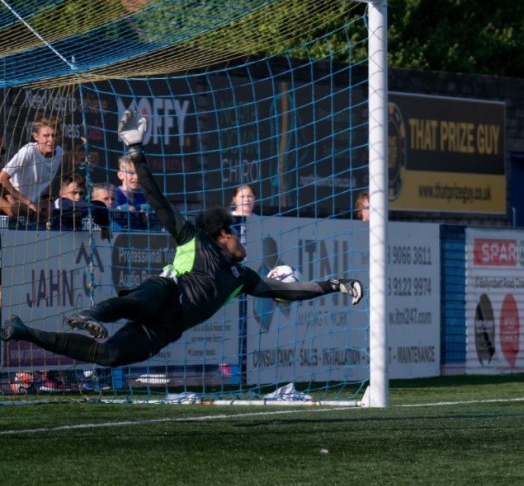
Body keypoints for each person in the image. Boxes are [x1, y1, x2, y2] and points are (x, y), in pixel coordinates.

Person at [0, 109, 364, 368]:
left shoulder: (243, 278)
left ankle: (23, 331)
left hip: (166, 329)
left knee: (108, 356)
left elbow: (288, 290)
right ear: (223, 235)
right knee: (139, 301)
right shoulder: (195, 239)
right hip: (166, 291)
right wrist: (136, 151)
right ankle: (90, 314)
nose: (243, 242)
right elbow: (157, 199)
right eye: (237, 235)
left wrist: (334, 284)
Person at [0, 117, 63, 222]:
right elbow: (2, 178)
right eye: (46, 136)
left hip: (36, 211)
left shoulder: (60, 152)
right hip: (17, 208)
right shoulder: (28, 152)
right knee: (13, 209)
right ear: (36, 136)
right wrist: (28, 203)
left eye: (55, 135)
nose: (51, 140)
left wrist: (47, 202)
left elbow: (47, 180)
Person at [114, 154, 152, 228]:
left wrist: (149, 213)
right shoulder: (114, 195)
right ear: (120, 175)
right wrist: (121, 209)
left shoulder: (142, 196)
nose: (137, 177)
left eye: (140, 173)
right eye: (131, 173)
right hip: (118, 234)